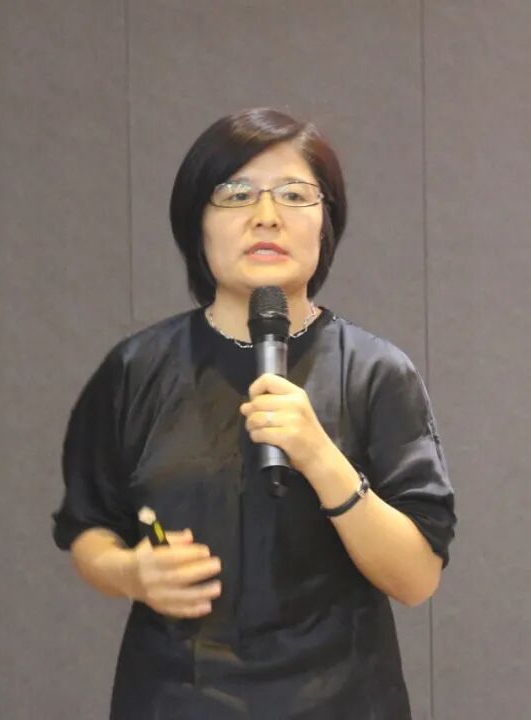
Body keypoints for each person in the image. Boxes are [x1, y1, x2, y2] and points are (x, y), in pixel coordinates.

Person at [51, 107, 457, 719]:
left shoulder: (376, 372)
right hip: (175, 699)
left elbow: (416, 579)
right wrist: (131, 572)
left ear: (326, 223)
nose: (266, 215)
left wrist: (320, 457)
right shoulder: (135, 369)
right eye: (236, 194)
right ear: (197, 222)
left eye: (293, 194)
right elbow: (89, 526)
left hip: (343, 701)